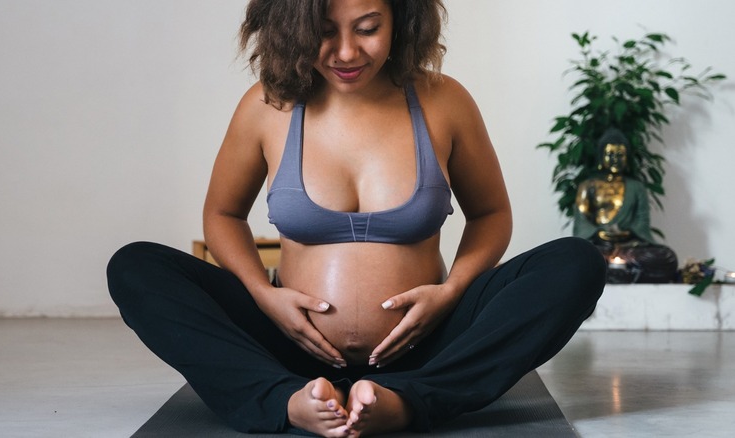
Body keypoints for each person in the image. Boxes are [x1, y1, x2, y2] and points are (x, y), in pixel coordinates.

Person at [107, 1, 606, 436]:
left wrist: (450, 293)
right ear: (292, 27)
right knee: (136, 266)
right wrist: (266, 297)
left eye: (367, 28)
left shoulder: (443, 100)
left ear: (400, 21)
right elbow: (222, 214)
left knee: (576, 262)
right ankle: (285, 398)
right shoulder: (267, 105)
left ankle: (410, 398)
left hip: (430, 342)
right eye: (325, 31)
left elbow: (492, 214)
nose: (346, 52)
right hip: (286, 342)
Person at [574, 128, 677, 283]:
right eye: (611, 154)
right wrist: (600, 234)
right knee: (578, 255)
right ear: (601, 157)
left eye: (620, 155)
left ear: (627, 157)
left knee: (666, 257)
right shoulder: (588, 186)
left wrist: (627, 234)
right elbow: (581, 222)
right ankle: (621, 271)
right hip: (598, 245)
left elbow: (642, 221)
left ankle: (612, 271)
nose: (616, 159)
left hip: (628, 246)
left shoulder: (636, 187)